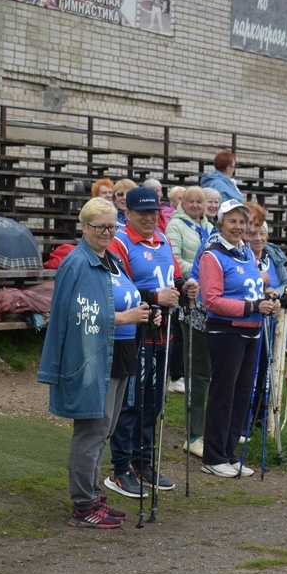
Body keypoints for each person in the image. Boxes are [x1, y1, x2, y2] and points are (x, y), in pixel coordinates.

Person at [38, 198, 154, 528]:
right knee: (91, 431)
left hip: (119, 354)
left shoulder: (111, 259)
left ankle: (91, 492)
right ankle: (83, 504)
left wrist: (146, 311)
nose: (106, 232)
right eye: (100, 226)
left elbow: (123, 296)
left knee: (106, 428)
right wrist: (122, 317)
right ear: (85, 227)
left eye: (112, 226)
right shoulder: (77, 263)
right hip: (92, 356)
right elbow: (73, 314)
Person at [104, 186, 198, 498]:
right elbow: (119, 289)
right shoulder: (119, 242)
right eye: (142, 212)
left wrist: (186, 287)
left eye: (153, 212)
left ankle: (142, 462)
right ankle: (120, 468)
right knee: (130, 403)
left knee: (153, 403)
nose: (149, 217)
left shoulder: (162, 241)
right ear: (127, 213)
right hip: (136, 334)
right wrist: (156, 297)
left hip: (164, 332)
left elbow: (172, 279)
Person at [198, 200, 282, 476]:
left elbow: (252, 289)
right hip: (226, 331)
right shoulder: (212, 255)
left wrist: (268, 300)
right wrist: (252, 307)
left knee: (243, 393)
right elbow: (211, 300)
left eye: (242, 222)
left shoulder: (247, 253)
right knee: (224, 393)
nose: (239, 227)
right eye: (232, 221)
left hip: (252, 329)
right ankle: (213, 456)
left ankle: (230, 453)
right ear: (221, 223)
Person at [166, 186, 214, 455]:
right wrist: (201, 272)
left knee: (213, 371)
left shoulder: (211, 227)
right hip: (192, 297)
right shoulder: (176, 226)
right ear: (182, 203)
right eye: (191, 201)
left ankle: (214, 428)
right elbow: (174, 258)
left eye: (200, 201)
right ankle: (194, 433)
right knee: (196, 369)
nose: (196, 205)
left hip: (214, 303)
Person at [244, 203, 287, 430]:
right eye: (254, 231)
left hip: (272, 322)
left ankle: (261, 415)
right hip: (250, 319)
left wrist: (279, 294)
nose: (258, 237)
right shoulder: (242, 257)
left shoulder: (272, 257)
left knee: (266, 368)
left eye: (262, 232)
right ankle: (244, 418)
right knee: (249, 372)